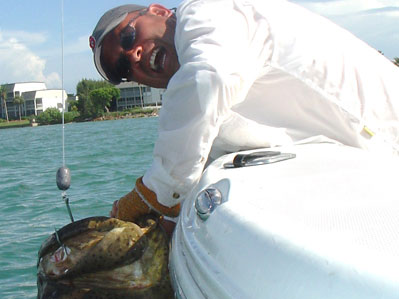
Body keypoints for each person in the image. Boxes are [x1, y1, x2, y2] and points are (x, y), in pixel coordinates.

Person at [90, 0, 399, 228]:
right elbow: (199, 147)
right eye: (122, 70)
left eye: (128, 37)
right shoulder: (202, 99)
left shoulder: (206, 12)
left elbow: (211, 76)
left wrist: (152, 193)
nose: (133, 55)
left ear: (159, 11)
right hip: (370, 167)